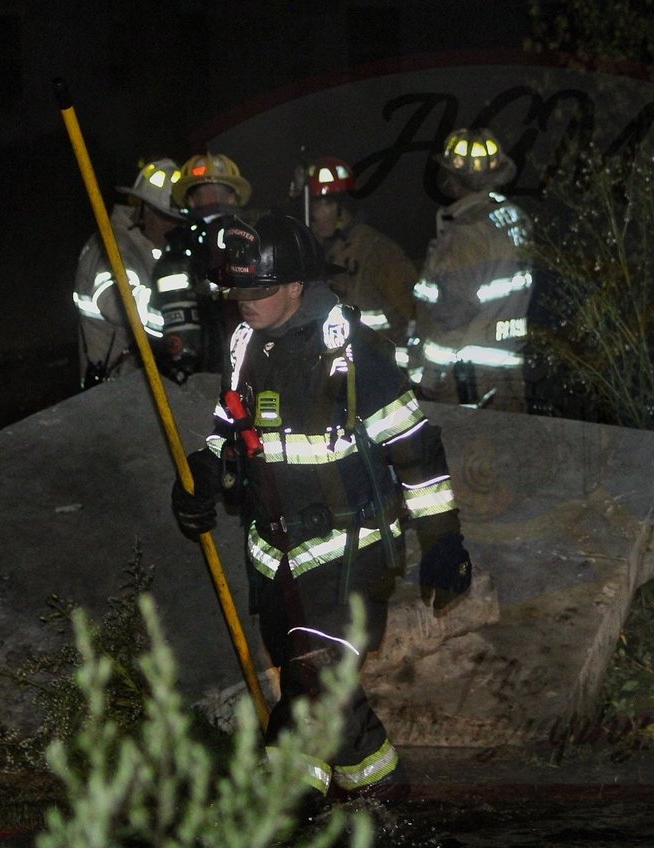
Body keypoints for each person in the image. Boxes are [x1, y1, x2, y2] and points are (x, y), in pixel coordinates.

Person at [169, 214, 473, 800]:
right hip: (276, 558)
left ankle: (321, 800)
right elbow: (229, 428)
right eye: (237, 291)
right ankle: (335, 793)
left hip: (348, 556)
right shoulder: (244, 343)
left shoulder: (353, 354)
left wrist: (443, 542)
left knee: (317, 679)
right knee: (310, 689)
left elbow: (416, 450)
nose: (245, 303)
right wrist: (203, 474)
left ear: (296, 287)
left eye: (259, 290)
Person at [412, 128, 533, 412]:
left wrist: (428, 378)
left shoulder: (466, 232)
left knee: (464, 456)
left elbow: (451, 313)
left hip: (464, 384)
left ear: (453, 179)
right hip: (508, 375)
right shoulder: (515, 218)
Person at [72, 157, 183, 387]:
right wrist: (178, 316)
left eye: (177, 220)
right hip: (109, 392)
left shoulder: (150, 251)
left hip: (139, 386)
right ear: (142, 211)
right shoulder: (111, 246)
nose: (172, 227)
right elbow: (117, 300)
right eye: (165, 217)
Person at [298, 155, 417, 361]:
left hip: (376, 369)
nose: (313, 215)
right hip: (336, 372)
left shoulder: (378, 252)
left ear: (341, 208)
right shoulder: (316, 254)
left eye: (319, 204)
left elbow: (412, 317)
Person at [151, 152, 253, 382]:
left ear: (233, 198)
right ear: (190, 201)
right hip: (206, 374)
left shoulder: (257, 239)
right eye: (202, 192)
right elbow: (174, 327)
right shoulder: (178, 253)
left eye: (219, 191)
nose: (212, 197)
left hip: (256, 363)